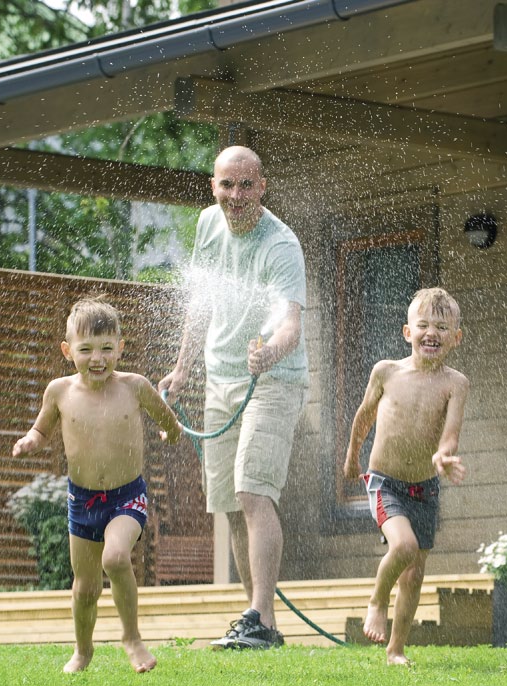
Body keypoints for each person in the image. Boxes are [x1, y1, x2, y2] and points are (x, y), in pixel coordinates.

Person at [159, 145, 309, 650]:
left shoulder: (281, 245)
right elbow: (199, 301)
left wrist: (270, 352)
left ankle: (260, 616)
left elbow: (291, 322)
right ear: (213, 186)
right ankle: (256, 622)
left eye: (247, 185)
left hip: (275, 378)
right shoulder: (207, 224)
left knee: (253, 492)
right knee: (229, 504)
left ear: (262, 187)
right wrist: (183, 368)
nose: (236, 196)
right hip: (220, 378)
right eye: (227, 185)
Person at [12, 295, 182, 673]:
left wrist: (171, 433)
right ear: (67, 349)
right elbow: (42, 428)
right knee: (85, 587)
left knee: (117, 557)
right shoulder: (59, 391)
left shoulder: (135, 387)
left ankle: (132, 639)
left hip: (127, 496)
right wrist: (30, 441)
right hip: (82, 499)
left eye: (107, 348)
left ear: (120, 348)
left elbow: (166, 417)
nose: (98, 358)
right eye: (86, 349)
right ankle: (83, 651)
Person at [343, 287, 469, 665]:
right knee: (404, 547)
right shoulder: (386, 372)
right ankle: (377, 601)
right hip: (385, 482)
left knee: (414, 575)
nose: (432, 333)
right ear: (407, 332)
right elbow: (364, 416)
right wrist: (352, 457)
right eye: (424, 325)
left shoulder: (455, 384)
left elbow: (450, 435)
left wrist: (444, 457)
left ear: (456, 338)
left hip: (425, 488)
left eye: (442, 327)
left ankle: (395, 649)